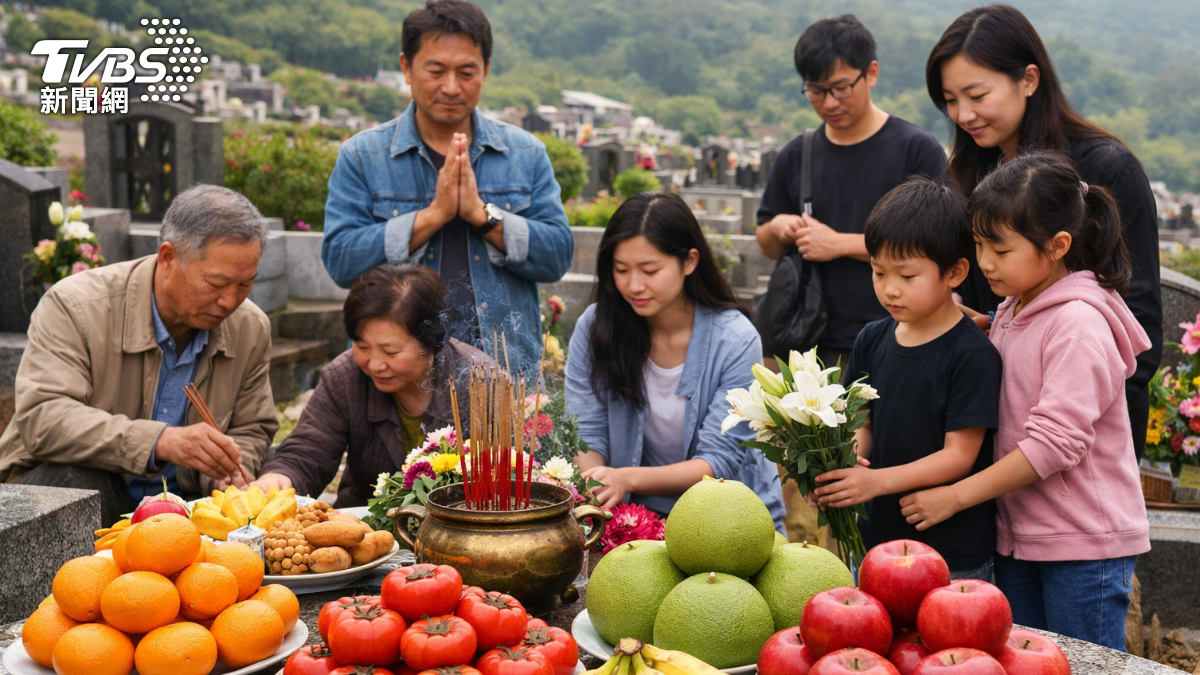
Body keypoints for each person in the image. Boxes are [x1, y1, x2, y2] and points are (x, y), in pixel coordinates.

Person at [900, 152, 1151, 649]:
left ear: (1057, 246)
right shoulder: (1017, 307)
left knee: (1083, 663)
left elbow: (1053, 445)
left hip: (1084, 545)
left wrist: (955, 496)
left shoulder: (1077, 324)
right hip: (1023, 536)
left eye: (1000, 248)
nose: (985, 261)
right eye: (978, 244)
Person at [926, 3, 1161, 459]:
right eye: (950, 100)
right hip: (988, 425)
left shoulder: (1107, 169)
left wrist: (1080, 423)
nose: (964, 114)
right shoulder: (964, 177)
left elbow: (1139, 321)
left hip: (1087, 441)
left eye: (977, 95)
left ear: (1029, 79)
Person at [755, 14, 946, 548]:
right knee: (811, 496)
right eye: (816, 91)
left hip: (896, 342)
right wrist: (780, 227)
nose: (829, 102)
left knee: (880, 478)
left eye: (840, 87)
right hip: (811, 352)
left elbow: (937, 241)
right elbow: (764, 239)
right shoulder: (798, 153)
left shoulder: (914, 149)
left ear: (871, 73)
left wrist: (839, 242)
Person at [0, 185, 278, 526]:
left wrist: (225, 474)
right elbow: (43, 417)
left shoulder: (249, 327)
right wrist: (160, 441)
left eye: (245, 284)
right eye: (216, 284)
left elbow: (251, 427)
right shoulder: (76, 306)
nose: (230, 301)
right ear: (168, 259)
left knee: (279, 470)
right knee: (85, 482)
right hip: (73, 491)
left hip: (185, 510)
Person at [321, 0, 572, 373]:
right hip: (395, 377)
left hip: (502, 376)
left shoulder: (525, 153)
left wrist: (483, 216)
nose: (451, 87)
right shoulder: (363, 156)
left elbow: (557, 255)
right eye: (436, 71)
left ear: (486, 70)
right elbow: (341, 261)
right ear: (407, 67)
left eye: (467, 72)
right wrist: (432, 216)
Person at [811, 178, 1002, 579]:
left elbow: (958, 456)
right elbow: (861, 422)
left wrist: (874, 482)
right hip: (875, 543)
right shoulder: (871, 338)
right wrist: (843, 472)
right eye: (878, 272)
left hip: (949, 554)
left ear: (955, 272)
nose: (890, 290)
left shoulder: (970, 354)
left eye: (907, 276)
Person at [565, 192, 785, 532]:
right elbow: (586, 433)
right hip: (630, 517)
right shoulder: (596, 327)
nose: (634, 285)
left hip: (731, 524)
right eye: (621, 269)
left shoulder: (735, 339)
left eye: (650, 270)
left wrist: (625, 479)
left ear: (689, 261)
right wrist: (599, 489)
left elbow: (718, 460)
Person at [253, 264, 493, 507]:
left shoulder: (482, 383)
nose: (375, 365)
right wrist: (280, 478)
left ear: (432, 343)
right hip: (362, 523)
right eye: (363, 347)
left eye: (391, 351)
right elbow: (308, 450)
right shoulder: (345, 377)